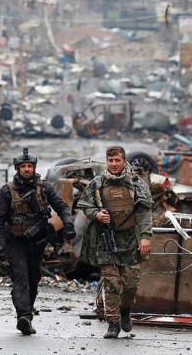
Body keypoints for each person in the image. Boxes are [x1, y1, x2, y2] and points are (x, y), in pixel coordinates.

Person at [0, 148, 76, 335]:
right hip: (15, 241)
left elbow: (61, 207)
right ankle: (24, 315)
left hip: (37, 243)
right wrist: (0, 245)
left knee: (33, 278)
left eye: (30, 166)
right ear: (17, 168)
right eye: (23, 166)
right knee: (20, 277)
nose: (27, 169)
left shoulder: (44, 187)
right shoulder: (7, 190)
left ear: (34, 167)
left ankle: (26, 312)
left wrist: (68, 224)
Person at [77, 145, 153, 339]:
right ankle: (113, 323)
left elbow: (144, 212)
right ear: (107, 161)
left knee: (130, 284)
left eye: (117, 160)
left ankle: (125, 310)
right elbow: (85, 204)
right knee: (111, 283)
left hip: (130, 240)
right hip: (105, 241)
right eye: (110, 160)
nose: (113, 164)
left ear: (123, 160)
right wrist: (96, 214)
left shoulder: (135, 183)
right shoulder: (98, 182)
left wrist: (145, 237)